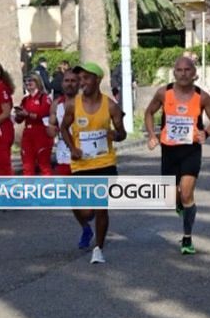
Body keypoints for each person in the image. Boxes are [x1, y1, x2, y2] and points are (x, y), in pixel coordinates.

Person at [144, 56, 210, 256]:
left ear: (194, 73)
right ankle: (178, 204)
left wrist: (206, 133)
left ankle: (187, 238)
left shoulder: (202, 97)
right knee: (170, 197)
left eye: (187, 70)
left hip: (191, 150)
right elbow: (149, 113)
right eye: (179, 70)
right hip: (169, 150)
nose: (183, 74)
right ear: (174, 73)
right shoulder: (164, 93)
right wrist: (152, 135)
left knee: (187, 194)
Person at [61, 62, 126, 264]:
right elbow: (64, 128)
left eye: (86, 78)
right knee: (85, 211)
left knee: (100, 207)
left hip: (105, 163)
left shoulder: (111, 106)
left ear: (97, 80)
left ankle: (98, 248)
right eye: (80, 79)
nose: (82, 82)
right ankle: (86, 226)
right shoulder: (73, 105)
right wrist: (72, 148)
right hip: (82, 164)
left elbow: (122, 133)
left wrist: (115, 135)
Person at [14, 73, 53, 175]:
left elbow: (43, 115)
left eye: (30, 81)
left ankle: (47, 185)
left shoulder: (44, 98)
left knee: (44, 165)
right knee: (27, 165)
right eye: (25, 81)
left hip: (41, 134)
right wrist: (19, 115)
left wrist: (27, 114)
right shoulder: (25, 100)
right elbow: (19, 120)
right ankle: (28, 185)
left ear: (37, 82)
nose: (27, 83)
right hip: (28, 135)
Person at [47, 69, 79, 175]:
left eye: (73, 81)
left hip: (82, 149)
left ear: (79, 83)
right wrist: (51, 130)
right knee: (66, 183)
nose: (69, 84)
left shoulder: (85, 102)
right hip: (63, 150)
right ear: (62, 83)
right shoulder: (56, 104)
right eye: (67, 81)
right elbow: (51, 129)